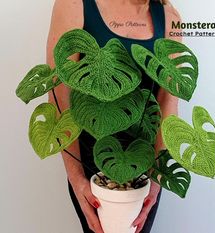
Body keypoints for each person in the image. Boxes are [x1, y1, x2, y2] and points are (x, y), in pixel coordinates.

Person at [47, 0, 182, 232]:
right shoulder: (76, 5)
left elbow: (167, 102)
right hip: (93, 162)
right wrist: (76, 178)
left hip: (144, 165)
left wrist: (157, 179)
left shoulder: (170, 18)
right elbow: (59, 95)